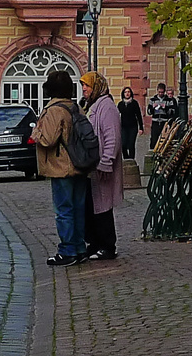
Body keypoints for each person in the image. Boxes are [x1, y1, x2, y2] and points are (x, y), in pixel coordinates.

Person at [31, 69, 86, 266]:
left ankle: (67, 250)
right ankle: (79, 247)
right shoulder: (76, 107)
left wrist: (36, 132)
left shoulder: (55, 109)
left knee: (64, 210)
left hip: (62, 166)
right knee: (78, 208)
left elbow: (48, 139)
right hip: (80, 164)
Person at [80, 71, 123, 261]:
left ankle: (107, 245)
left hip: (102, 166)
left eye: (87, 86)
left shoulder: (107, 107)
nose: (84, 89)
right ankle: (95, 243)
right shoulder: (93, 105)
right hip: (93, 167)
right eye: (83, 86)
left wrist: (106, 162)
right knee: (92, 206)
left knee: (103, 207)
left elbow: (112, 137)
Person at [117, 86, 143, 161]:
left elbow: (138, 115)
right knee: (123, 144)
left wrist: (141, 127)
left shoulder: (134, 103)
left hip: (133, 127)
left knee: (131, 144)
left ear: (131, 93)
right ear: (123, 94)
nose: (127, 93)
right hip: (124, 127)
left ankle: (131, 160)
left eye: (128, 92)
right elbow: (117, 115)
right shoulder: (120, 104)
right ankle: (126, 159)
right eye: (125, 92)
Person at [147, 84, 174, 152]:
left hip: (164, 122)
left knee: (164, 139)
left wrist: (165, 107)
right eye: (159, 92)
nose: (160, 94)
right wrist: (153, 107)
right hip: (155, 122)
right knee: (154, 139)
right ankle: (153, 151)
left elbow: (172, 112)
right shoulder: (153, 99)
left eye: (162, 92)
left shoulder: (168, 100)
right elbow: (149, 111)